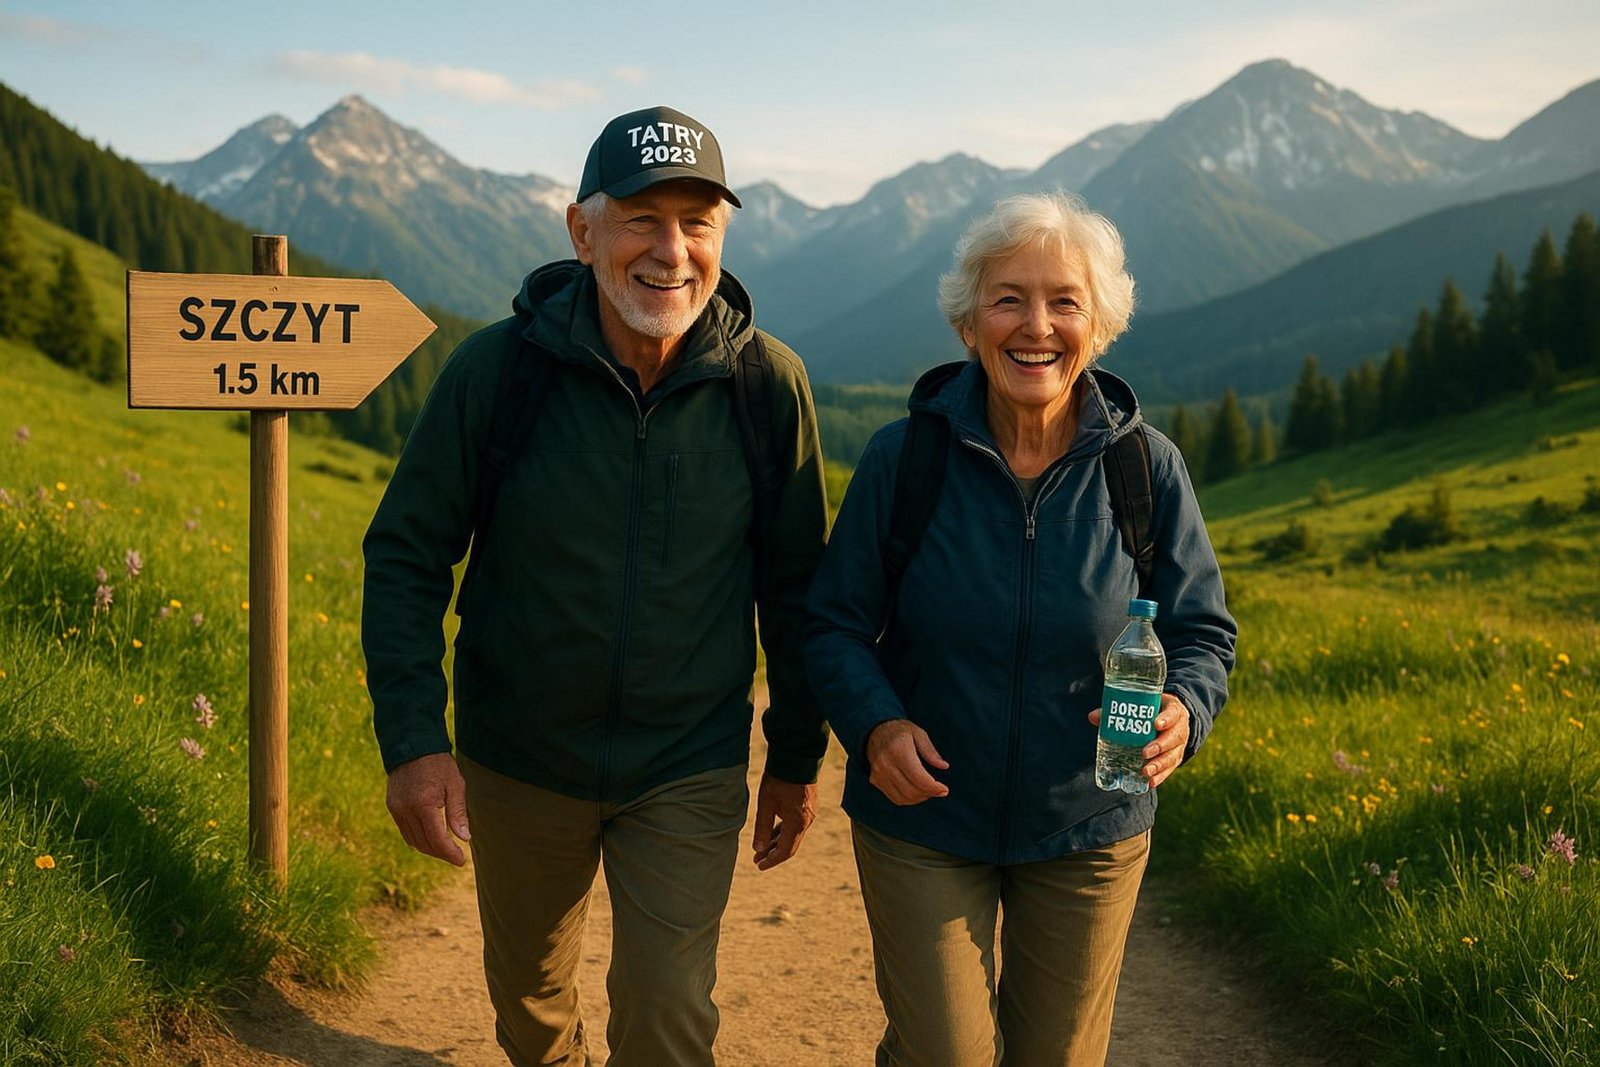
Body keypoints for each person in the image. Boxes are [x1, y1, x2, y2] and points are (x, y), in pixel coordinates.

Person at [361, 105, 829, 1067]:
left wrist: (794, 756)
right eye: (641, 219)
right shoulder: (498, 372)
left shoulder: (766, 386)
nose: (672, 250)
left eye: (697, 222)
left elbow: (797, 590)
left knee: (668, 1012)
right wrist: (414, 742)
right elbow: (407, 553)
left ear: (723, 235)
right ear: (583, 230)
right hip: (519, 755)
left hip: (687, 760)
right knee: (530, 1007)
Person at [804, 192, 1237, 1066]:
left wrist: (1186, 709)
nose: (1034, 325)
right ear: (970, 322)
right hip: (920, 818)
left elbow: (1203, 632)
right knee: (945, 1053)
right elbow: (832, 626)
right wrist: (874, 726)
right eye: (1007, 298)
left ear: (1099, 325)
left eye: (1063, 301)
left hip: (1087, 821)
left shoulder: (1143, 466)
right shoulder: (907, 458)